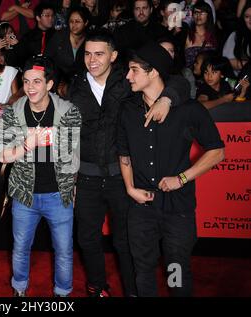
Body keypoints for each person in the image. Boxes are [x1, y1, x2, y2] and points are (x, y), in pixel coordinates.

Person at [67, 32, 190, 297]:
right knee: (87, 239)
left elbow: (178, 82)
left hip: (123, 178)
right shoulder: (74, 85)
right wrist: (70, 179)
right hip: (86, 177)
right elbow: (69, 134)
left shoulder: (129, 78)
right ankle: (97, 287)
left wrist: (167, 99)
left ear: (112, 56)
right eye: (87, 53)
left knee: (126, 242)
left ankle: (132, 291)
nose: (92, 60)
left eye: (99, 54)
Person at [118, 42, 225, 296]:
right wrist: (130, 188)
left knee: (176, 270)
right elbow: (124, 155)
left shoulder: (188, 109)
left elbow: (217, 151)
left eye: (134, 70)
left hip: (178, 208)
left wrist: (182, 178)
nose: (128, 75)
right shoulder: (128, 110)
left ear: (153, 72)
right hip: (141, 207)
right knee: (142, 270)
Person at [0, 55, 81, 297]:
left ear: (50, 84)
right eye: (26, 81)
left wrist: (71, 185)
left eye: (37, 82)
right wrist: (25, 145)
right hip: (24, 195)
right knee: (21, 247)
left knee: (64, 249)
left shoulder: (68, 111)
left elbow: (73, 156)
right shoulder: (12, 112)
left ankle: (62, 293)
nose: (30, 87)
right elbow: (2, 154)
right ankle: (19, 289)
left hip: (58, 195)